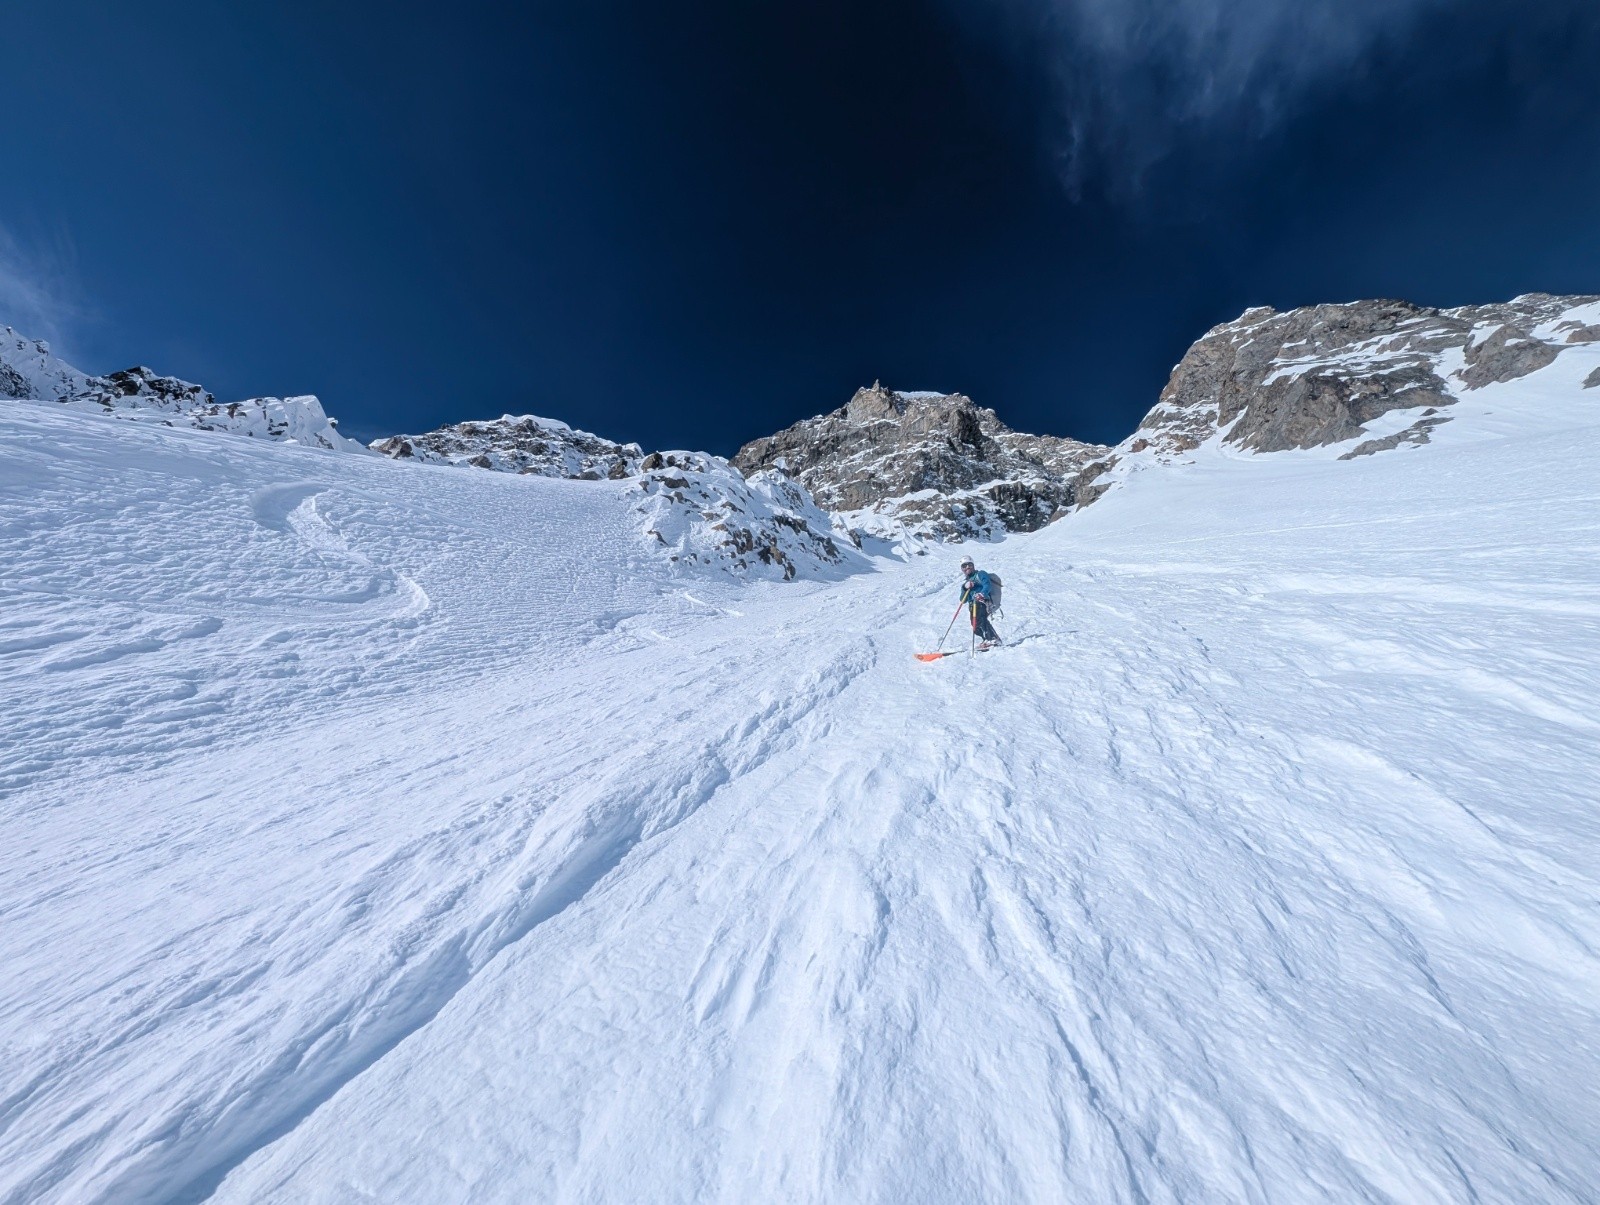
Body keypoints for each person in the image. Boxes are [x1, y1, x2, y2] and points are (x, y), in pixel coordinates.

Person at [959, 556, 1001, 649]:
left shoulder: (981, 574)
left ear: (973, 566)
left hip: (982, 602)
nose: (967, 567)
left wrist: (982, 594)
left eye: (969, 565)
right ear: (962, 569)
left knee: (981, 620)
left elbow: (987, 585)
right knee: (975, 627)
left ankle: (993, 639)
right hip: (972, 606)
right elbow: (963, 600)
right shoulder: (966, 583)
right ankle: (987, 639)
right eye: (964, 566)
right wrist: (965, 588)